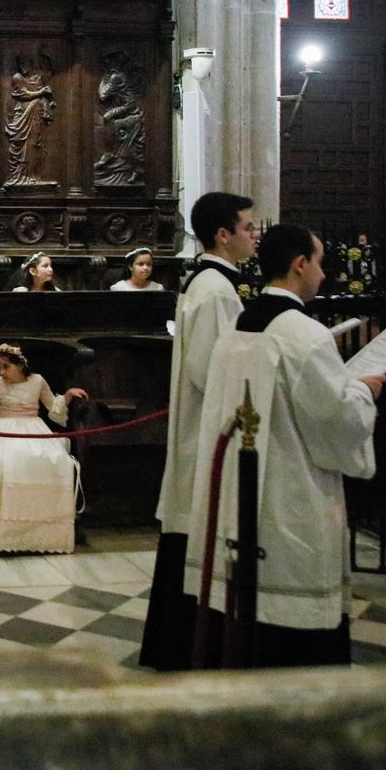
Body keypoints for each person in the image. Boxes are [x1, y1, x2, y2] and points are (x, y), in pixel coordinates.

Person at [183, 222, 384, 668]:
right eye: (320, 263)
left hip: (242, 492)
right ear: (299, 265)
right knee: (293, 626)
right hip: (291, 491)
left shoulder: (240, 324)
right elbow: (337, 419)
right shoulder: (303, 333)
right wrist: (363, 391)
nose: (324, 275)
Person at [139, 190, 257, 671]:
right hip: (205, 434)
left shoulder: (213, 284)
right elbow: (210, 371)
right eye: (248, 226)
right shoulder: (215, 290)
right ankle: (183, 650)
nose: (255, 235)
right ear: (223, 234)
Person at [0, 344, 88, 553]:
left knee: (50, 461)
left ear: (20, 366)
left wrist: (68, 396)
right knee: (0, 462)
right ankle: (0, 535)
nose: (1, 372)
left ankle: (38, 534)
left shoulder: (37, 381)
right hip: (1, 429)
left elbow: (53, 406)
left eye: (6, 367)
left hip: (32, 428)